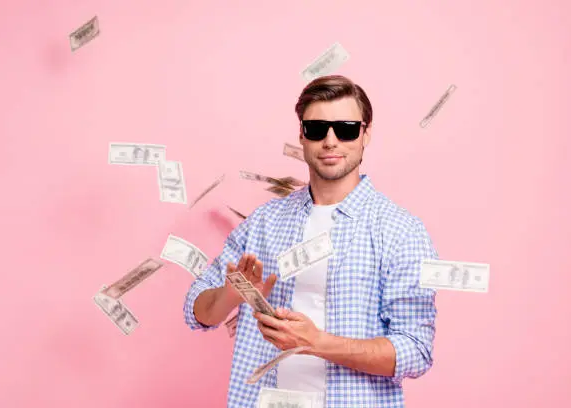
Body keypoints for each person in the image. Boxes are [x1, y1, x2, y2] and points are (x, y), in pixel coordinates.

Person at [183, 75, 438, 408]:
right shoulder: (265, 222)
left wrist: (315, 342)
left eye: (345, 129)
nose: (330, 141)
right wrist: (232, 294)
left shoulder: (401, 231)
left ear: (366, 134)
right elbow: (197, 312)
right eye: (317, 129)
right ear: (302, 135)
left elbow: (415, 350)